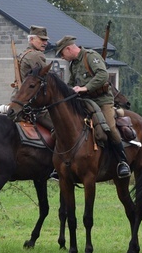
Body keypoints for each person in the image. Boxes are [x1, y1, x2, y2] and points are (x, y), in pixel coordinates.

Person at [55, 35, 131, 177]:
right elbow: (71, 83)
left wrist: (85, 88)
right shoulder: (73, 64)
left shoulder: (90, 56)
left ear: (68, 48)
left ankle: (122, 161)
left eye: (62, 53)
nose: (62, 57)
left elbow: (103, 75)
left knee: (109, 127)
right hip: (83, 102)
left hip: (102, 100)